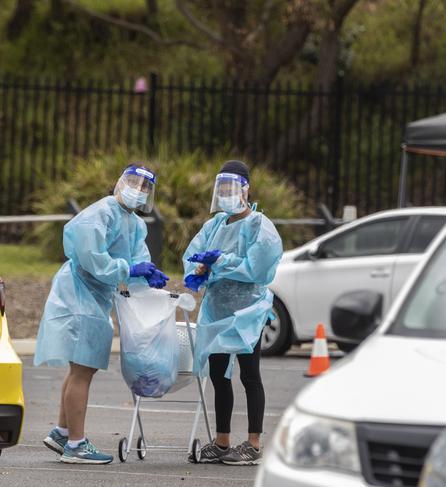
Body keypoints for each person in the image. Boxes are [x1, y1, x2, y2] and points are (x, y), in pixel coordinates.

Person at [35, 164, 169, 465]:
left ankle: (62, 432)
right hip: (78, 294)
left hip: (92, 296)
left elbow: (136, 258)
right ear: (119, 183)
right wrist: (129, 270)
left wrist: (146, 275)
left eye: (145, 187)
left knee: (81, 369)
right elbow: (91, 256)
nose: (138, 190)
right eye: (133, 182)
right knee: (82, 369)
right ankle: (75, 444)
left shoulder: (133, 222)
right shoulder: (103, 211)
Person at [183, 160, 283, 465]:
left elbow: (257, 267)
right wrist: (199, 269)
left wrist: (221, 262)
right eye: (222, 188)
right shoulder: (213, 225)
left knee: (250, 375)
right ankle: (222, 442)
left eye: (232, 187)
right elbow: (192, 255)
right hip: (216, 310)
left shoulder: (259, 225)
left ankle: (253, 444)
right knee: (218, 375)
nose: (227, 193)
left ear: (245, 189)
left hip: (247, 312)